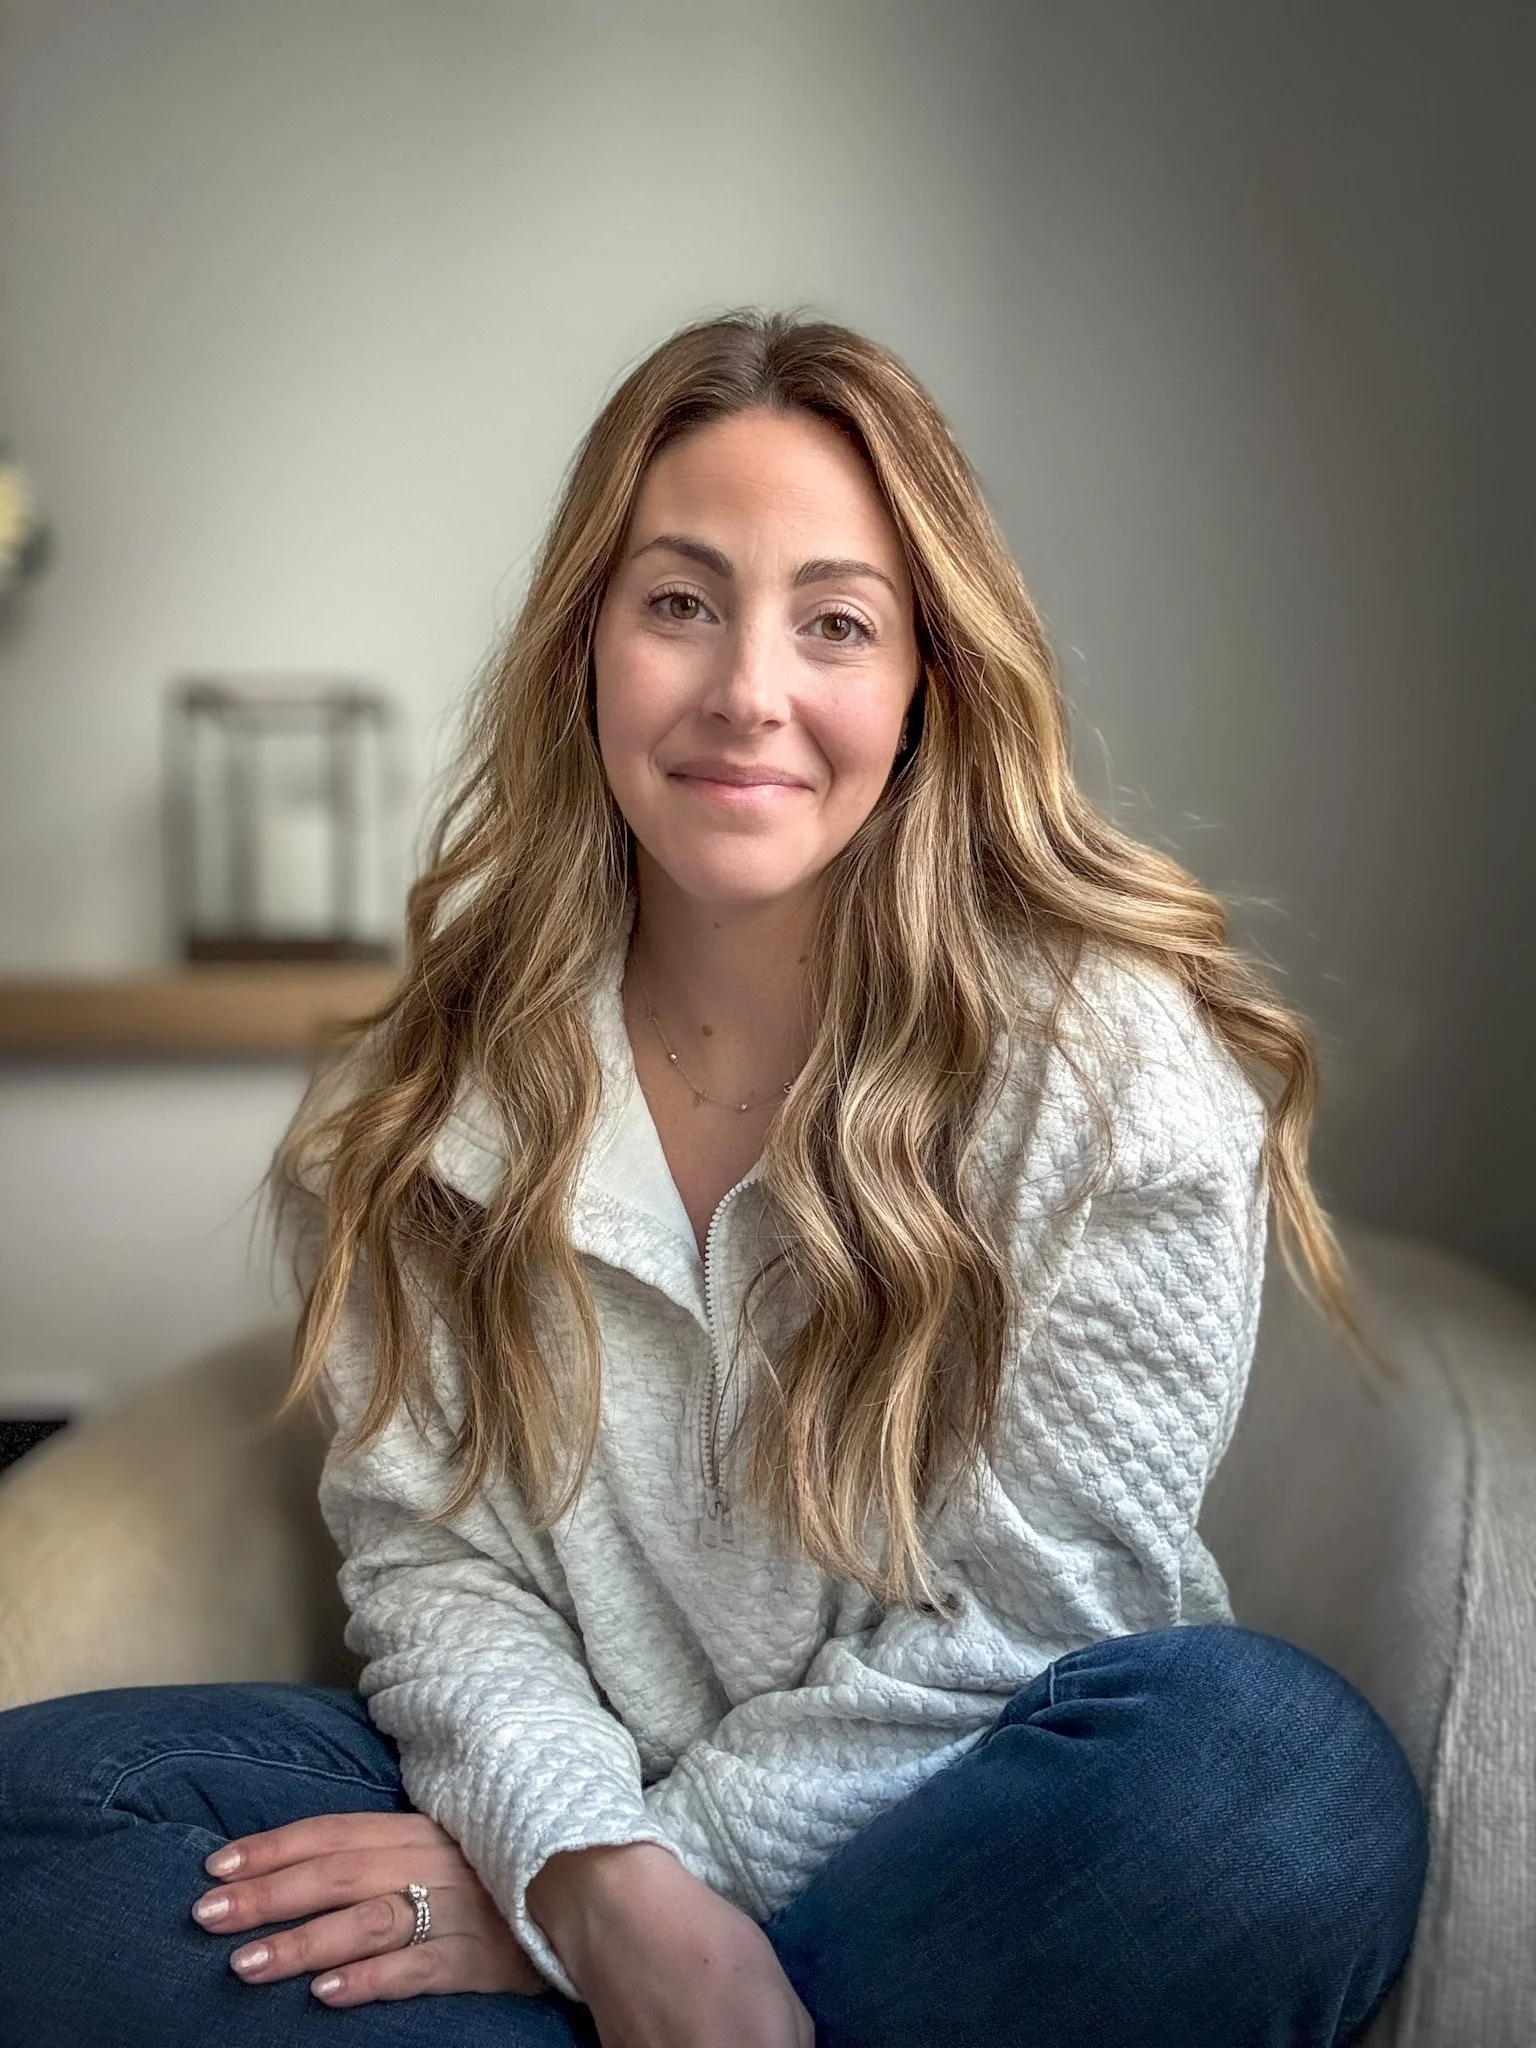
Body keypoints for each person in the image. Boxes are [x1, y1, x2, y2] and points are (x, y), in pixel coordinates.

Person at [0, 308, 1428, 2048]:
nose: (748, 689)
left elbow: (1042, 1615)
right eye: (679, 602)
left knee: (1279, 1792)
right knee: (51, 1819)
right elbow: (443, 1581)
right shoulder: (426, 1090)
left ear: (924, 690)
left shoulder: (1106, 1071)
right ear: (587, 647)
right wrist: (587, 1869)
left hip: (949, 1844)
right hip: (541, 1803)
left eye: (836, 622)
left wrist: (638, 1900)